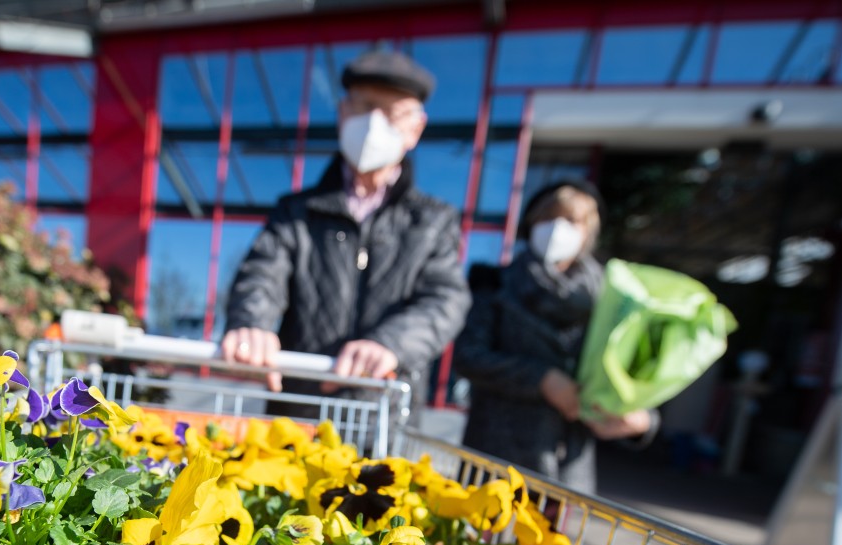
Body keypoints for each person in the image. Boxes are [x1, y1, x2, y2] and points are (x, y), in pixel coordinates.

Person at [219, 50, 470, 420]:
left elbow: (445, 299)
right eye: (365, 106)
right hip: (299, 414)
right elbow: (261, 275)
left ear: (415, 128)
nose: (374, 124)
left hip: (384, 417)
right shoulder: (296, 212)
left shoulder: (434, 221)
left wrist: (390, 343)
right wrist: (252, 324)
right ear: (342, 113)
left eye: (391, 113)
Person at [453, 180, 657, 494]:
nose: (557, 229)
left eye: (572, 221)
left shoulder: (612, 300)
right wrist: (542, 379)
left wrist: (640, 416)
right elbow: (468, 355)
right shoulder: (494, 283)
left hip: (566, 467)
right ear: (531, 224)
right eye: (547, 218)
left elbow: (635, 369)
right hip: (495, 457)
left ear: (588, 232)